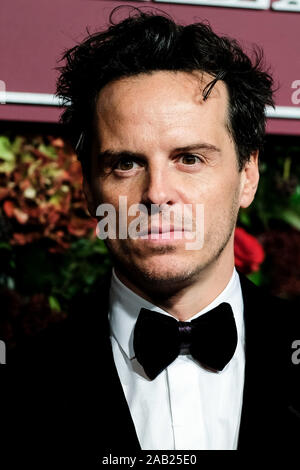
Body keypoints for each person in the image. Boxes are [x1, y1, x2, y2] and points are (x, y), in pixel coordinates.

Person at [4, 8, 299, 462]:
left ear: (247, 175)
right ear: (88, 189)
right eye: (125, 164)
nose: (157, 194)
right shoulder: (21, 386)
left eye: (189, 159)